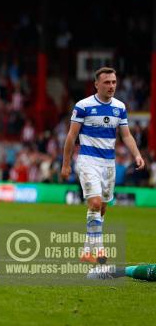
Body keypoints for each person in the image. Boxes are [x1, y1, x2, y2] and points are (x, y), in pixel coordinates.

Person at [61, 67, 144, 264]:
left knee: (102, 208)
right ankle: (99, 251)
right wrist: (66, 164)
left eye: (114, 82)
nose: (111, 86)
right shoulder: (83, 106)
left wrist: (137, 154)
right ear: (96, 84)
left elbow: (126, 135)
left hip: (109, 164)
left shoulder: (120, 107)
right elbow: (71, 136)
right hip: (88, 161)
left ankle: (85, 252)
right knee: (95, 204)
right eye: (107, 82)